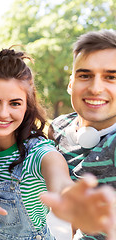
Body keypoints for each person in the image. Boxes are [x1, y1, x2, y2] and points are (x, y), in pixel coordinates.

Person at [0, 48, 115, 240]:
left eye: (15, 103)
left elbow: (61, 185)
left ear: (27, 106)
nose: (3, 113)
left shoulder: (40, 154)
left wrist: (74, 202)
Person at [47, 29, 116, 240]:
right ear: (71, 84)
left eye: (111, 77)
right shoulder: (58, 128)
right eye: (85, 75)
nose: (95, 88)